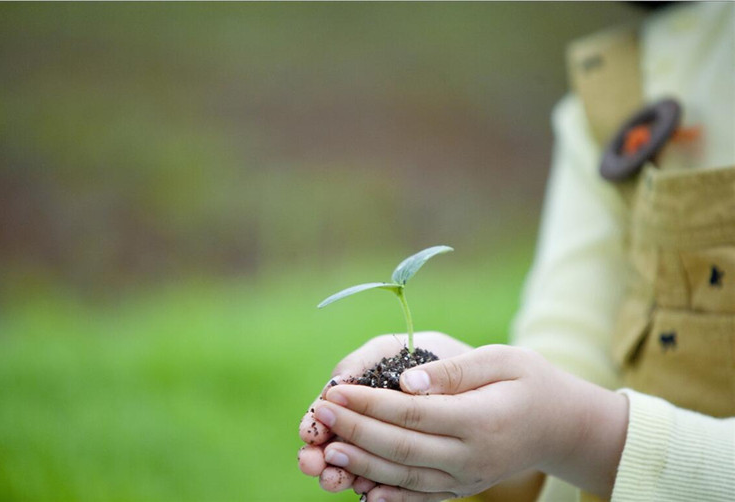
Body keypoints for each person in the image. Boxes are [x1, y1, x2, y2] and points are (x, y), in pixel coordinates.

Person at [298, 2, 735, 501]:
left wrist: (573, 432)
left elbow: (560, 421)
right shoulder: (615, 87)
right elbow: (565, 358)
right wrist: (473, 428)